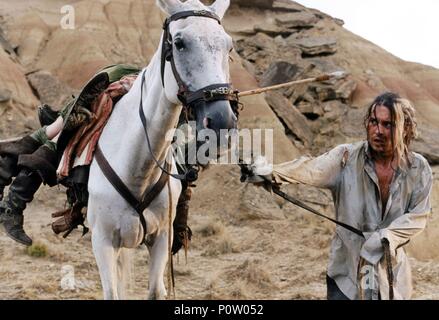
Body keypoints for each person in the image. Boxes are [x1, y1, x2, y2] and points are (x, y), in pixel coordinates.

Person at [246, 92, 433, 300]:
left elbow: (419, 215)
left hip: (390, 276)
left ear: (405, 128)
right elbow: (309, 168)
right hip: (346, 273)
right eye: (373, 122)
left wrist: (387, 237)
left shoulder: (418, 168)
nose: (378, 131)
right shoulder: (346, 158)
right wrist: (268, 171)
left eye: (387, 124)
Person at [0, 64, 195, 253]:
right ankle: (11, 207)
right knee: (57, 138)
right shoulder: (150, 85)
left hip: (131, 88)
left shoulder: (179, 101)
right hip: (119, 83)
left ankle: (10, 200)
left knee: (55, 133)